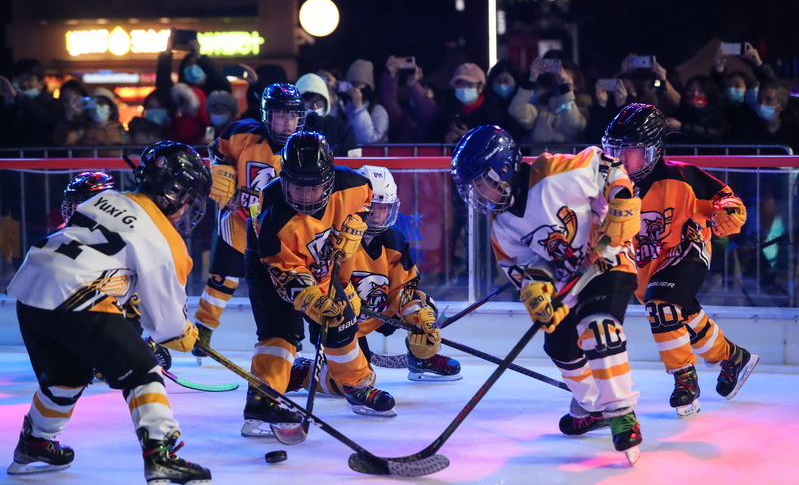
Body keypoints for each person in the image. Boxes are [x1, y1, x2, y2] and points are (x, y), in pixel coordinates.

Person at [5, 141, 213, 485]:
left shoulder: (107, 199)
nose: (188, 208)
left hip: (32, 289)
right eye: (190, 197)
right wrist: (186, 334)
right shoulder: (165, 239)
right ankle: (162, 455)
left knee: (66, 376)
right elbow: (165, 324)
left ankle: (35, 442)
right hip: (76, 296)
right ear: (174, 191)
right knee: (143, 370)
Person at [451, 125, 643, 463]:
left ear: (503, 169)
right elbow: (525, 265)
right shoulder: (503, 225)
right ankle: (593, 406)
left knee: (597, 328)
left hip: (608, 256)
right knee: (559, 347)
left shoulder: (556, 173)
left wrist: (621, 200)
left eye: (481, 183)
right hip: (569, 276)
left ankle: (621, 413)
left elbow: (606, 166)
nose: (478, 194)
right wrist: (537, 289)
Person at [602, 103, 759, 418]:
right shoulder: (604, 185)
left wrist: (729, 213)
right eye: (613, 152)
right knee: (681, 317)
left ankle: (684, 377)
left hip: (685, 248)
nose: (621, 161)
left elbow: (726, 198)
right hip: (646, 265)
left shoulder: (680, 176)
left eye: (631, 153)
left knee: (660, 305)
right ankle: (732, 357)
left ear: (653, 151)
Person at [242, 132, 395, 437]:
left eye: (314, 187)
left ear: (329, 179)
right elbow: (286, 272)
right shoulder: (274, 217)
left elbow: (365, 202)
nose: (306, 197)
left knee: (341, 321)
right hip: (272, 266)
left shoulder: (354, 184)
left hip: (322, 264)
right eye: (297, 187)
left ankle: (356, 386)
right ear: (284, 180)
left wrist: (356, 222)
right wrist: (310, 297)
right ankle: (262, 400)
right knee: (280, 331)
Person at [288, 165, 462, 392]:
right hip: (341, 322)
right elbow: (317, 282)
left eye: (384, 208)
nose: (378, 216)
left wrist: (419, 320)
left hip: (378, 310)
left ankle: (421, 359)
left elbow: (404, 288)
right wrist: (339, 299)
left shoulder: (394, 240)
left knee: (424, 307)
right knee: (353, 384)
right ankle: (303, 372)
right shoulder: (333, 236)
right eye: (372, 208)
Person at [192, 83, 307, 359]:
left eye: (292, 116)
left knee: (285, 282)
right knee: (222, 279)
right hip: (239, 221)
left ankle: (289, 335)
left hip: (279, 231)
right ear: (267, 115)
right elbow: (219, 151)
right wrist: (223, 174)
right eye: (280, 115)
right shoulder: (242, 133)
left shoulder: (304, 148)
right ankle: (203, 329)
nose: (287, 122)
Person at [59, 171, 173, 372]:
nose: (74, 208)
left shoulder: (125, 228)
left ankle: (136, 344)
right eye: (72, 202)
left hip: (115, 303)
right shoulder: (64, 229)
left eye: (80, 202)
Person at [295, 72, 358, 157]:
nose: (314, 106)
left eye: (318, 100)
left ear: (326, 101)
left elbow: (351, 157)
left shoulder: (339, 127)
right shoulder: (292, 126)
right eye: (308, 100)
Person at [339, 58, 389, 144]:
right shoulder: (342, 107)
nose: (354, 88)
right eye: (351, 84)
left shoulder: (378, 111)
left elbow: (367, 139)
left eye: (358, 84)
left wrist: (358, 108)